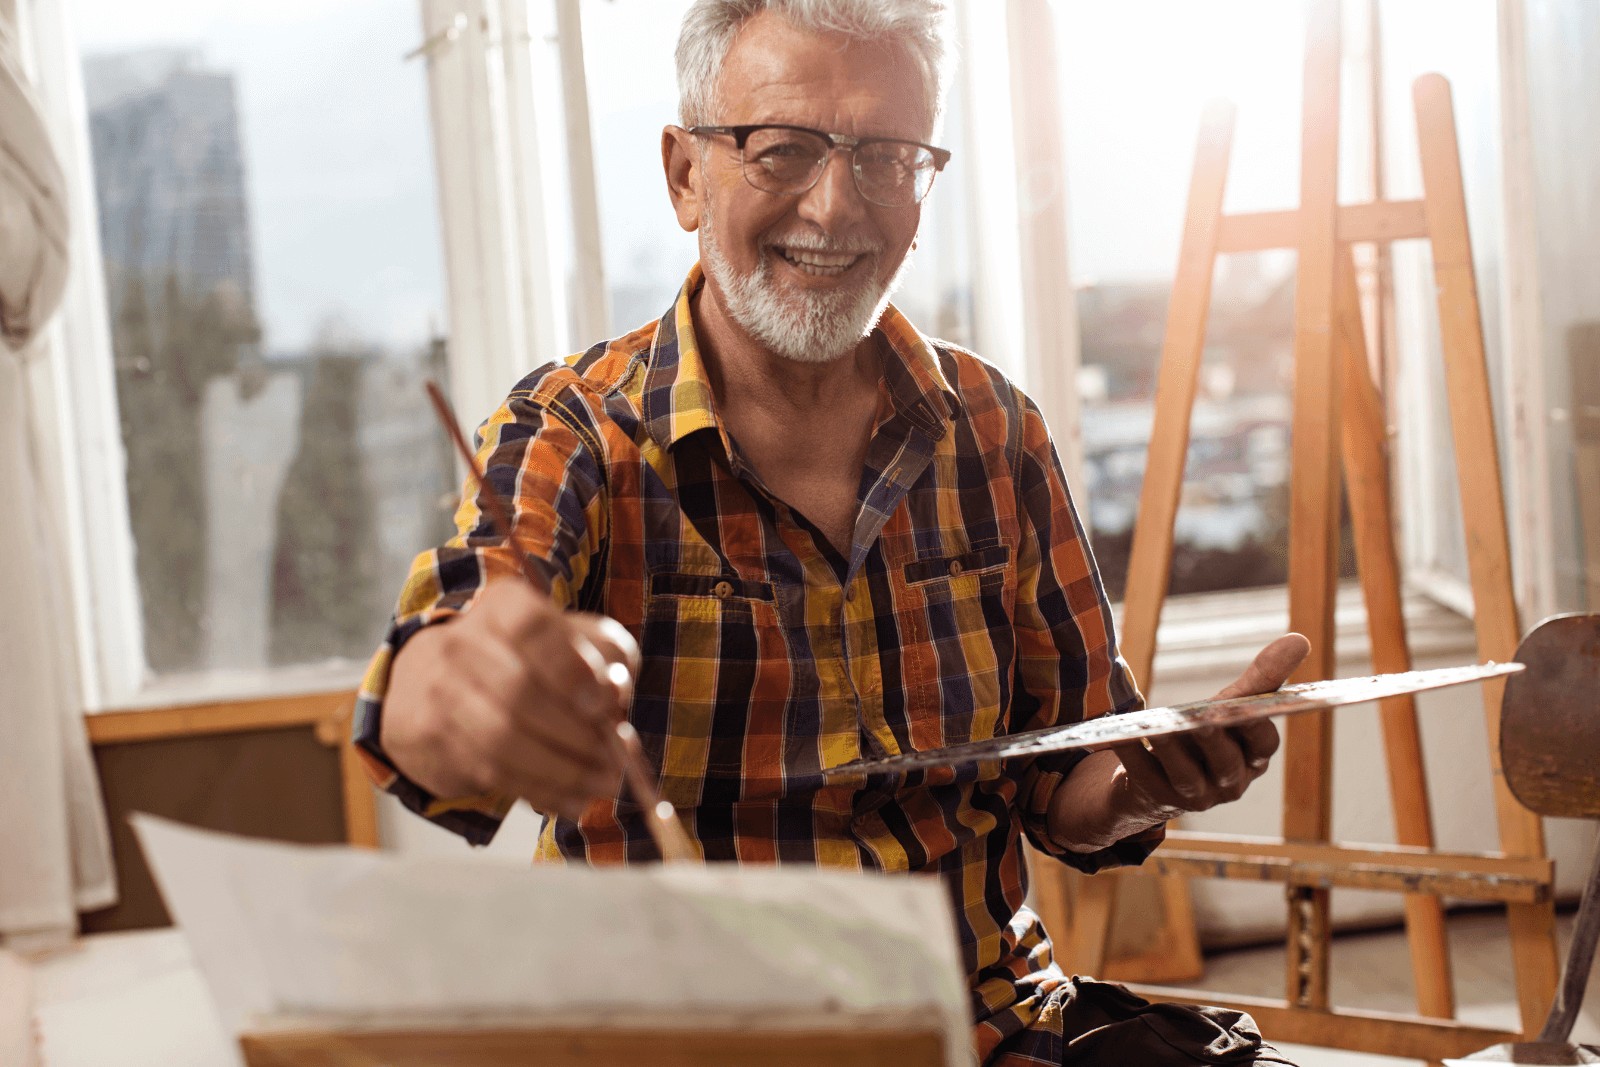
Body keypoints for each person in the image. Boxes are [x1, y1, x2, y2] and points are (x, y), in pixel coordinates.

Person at [354, 1, 1310, 1062]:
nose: (836, 205)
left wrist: (1147, 777)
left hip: (988, 1026)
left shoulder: (995, 428)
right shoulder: (572, 431)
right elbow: (425, 699)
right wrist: (467, 684)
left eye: (888, 158)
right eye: (782, 151)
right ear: (683, 174)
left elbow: (1068, 786)